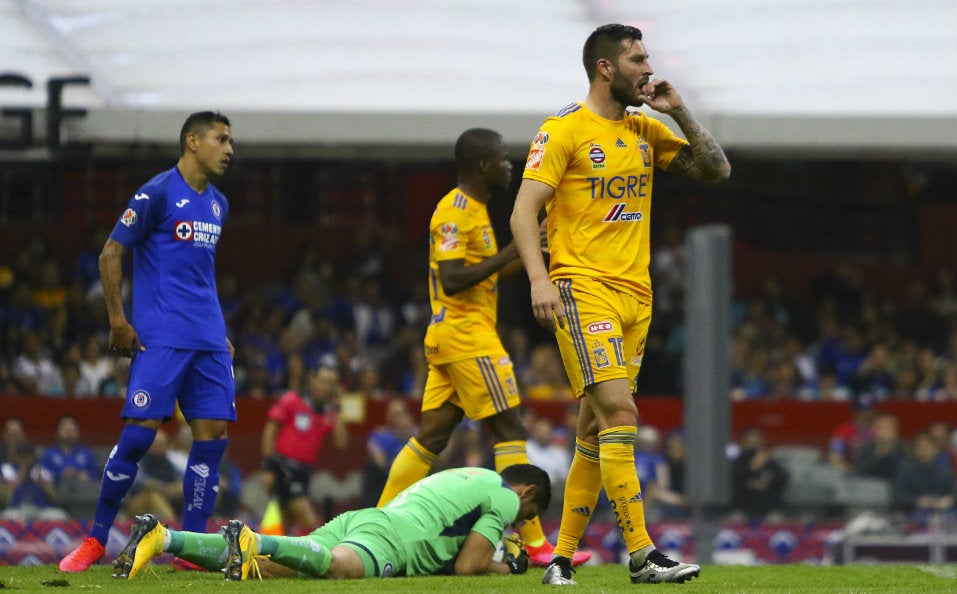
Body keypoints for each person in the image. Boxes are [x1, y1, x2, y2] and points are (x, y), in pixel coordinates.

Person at [509, 23, 730, 585]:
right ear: (606, 67)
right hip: (581, 289)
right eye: (637, 59)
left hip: (637, 297)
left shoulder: (643, 129)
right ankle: (642, 553)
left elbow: (716, 170)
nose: (647, 68)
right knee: (622, 415)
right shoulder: (564, 130)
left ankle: (558, 559)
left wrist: (679, 112)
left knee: (592, 430)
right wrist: (539, 280)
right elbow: (522, 210)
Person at [374, 128, 589, 566]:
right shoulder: (454, 213)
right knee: (510, 430)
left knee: (430, 437)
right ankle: (535, 543)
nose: (510, 165)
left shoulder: (477, 210)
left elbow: (480, 275)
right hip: (467, 335)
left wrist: (524, 255)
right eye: (504, 158)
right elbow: (453, 280)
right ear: (481, 165)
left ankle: (377, 523)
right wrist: (511, 250)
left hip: (453, 336)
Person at [59, 111, 236, 572]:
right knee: (139, 435)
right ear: (193, 141)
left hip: (209, 338)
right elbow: (110, 254)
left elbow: (202, 276)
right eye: (221, 139)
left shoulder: (218, 203)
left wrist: (220, 334)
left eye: (231, 141)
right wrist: (118, 319)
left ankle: (193, 552)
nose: (230, 149)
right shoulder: (156, 192)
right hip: (162, 337)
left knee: (212, 437)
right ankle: (96, 540)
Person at [113, 464, 549, 580]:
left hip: (368, 518)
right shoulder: (506, 497)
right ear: (527, 493)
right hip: (395, 540)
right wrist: (508, 565)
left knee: (268, 569)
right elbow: (468, 565)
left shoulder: (467, 474)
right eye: (525, 519)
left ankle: (164, 537)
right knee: (337, 567)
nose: (517, 525)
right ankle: (257, 541)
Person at [258, 366, 348, 534]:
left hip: (304, 472)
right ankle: (317, 557)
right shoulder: (292, 400)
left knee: (282, 527)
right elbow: (270, 431)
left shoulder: (329, 414)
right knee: (309, 521)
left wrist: (338, 409)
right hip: (283, 467)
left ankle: (263, 558)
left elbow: (341, 443)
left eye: (332, 384)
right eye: (323, 381)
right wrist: (267, 467)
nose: (326, 387)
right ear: (312, 379)